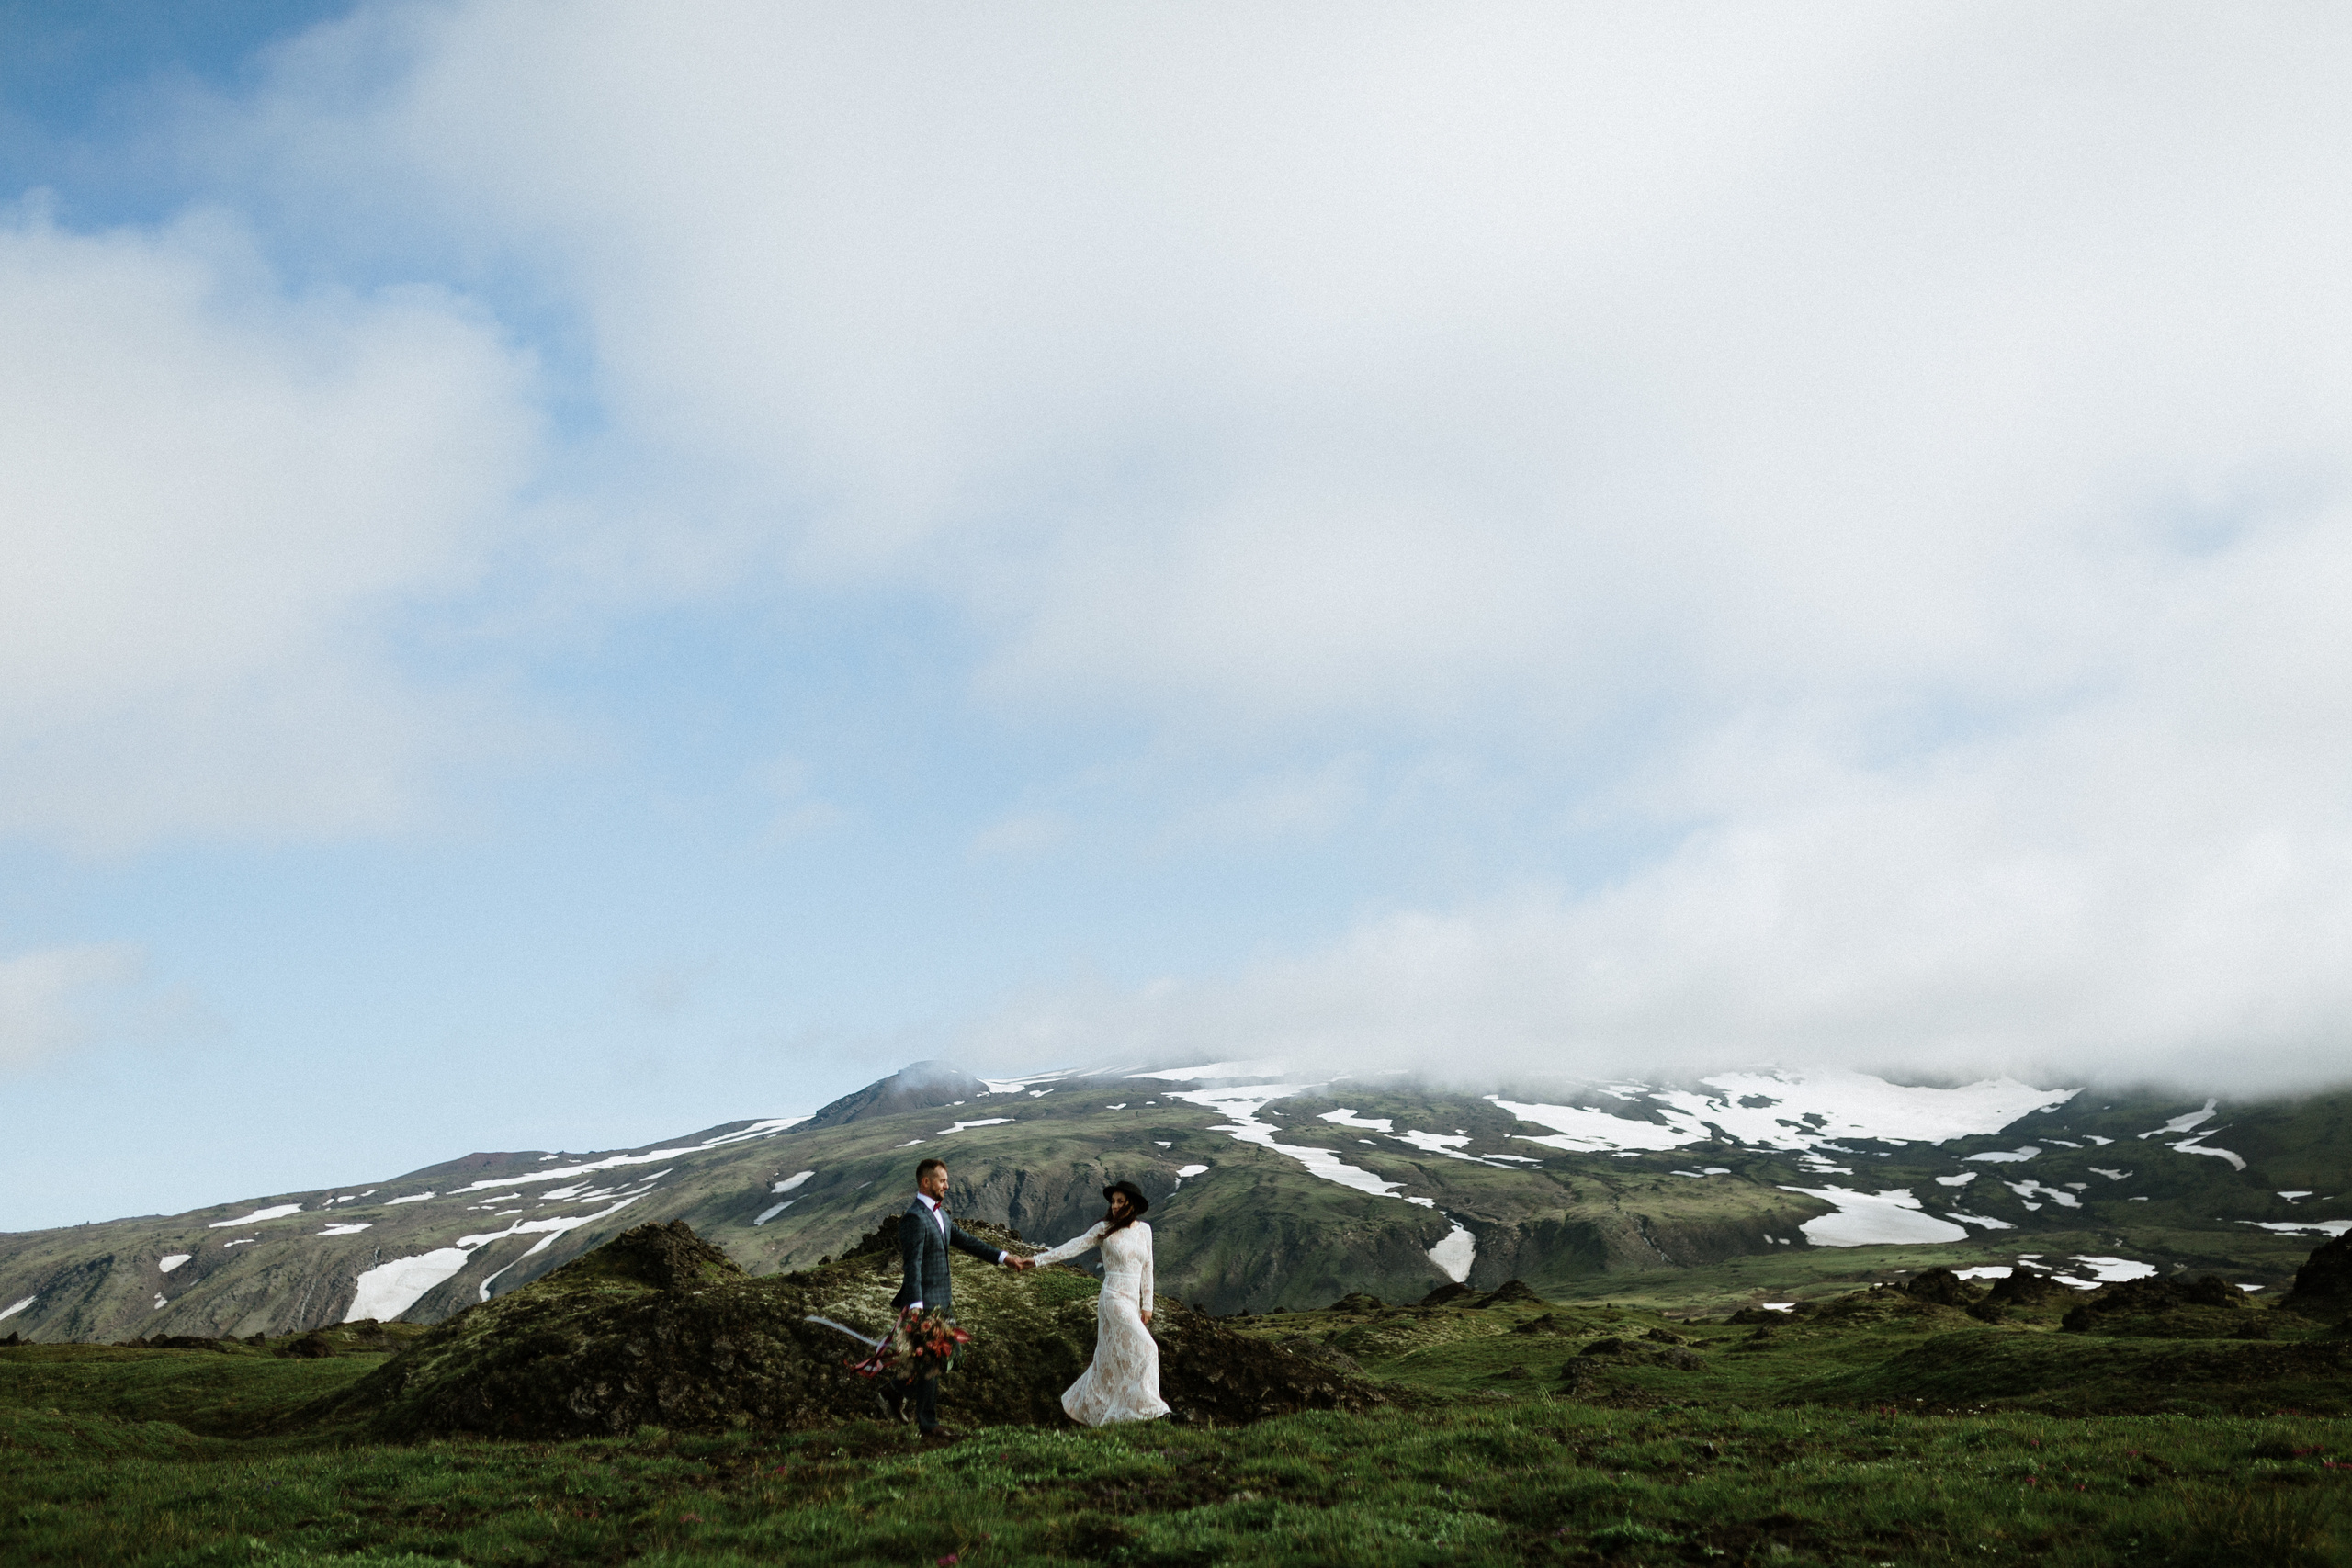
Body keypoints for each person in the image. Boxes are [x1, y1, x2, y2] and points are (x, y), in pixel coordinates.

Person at [888, 1157, 1029, 1438]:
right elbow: (912, 1264)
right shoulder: (914, 1218)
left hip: (944, 1301)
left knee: (945, 1358)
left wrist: (1004, 1258)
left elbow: (967, 1241)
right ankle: (928, 1423)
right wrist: (916, 1308)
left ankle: (893, 1392)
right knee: (934, 1361)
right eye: (942, 1181)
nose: (947, 1186)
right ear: (926, 1182)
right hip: (926, 1304)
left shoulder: (942, 1215)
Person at [1024, 1179, 1170, 1425]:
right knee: (1148, 1349)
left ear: (1131, 1205)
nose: (1114, 1206)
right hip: (1113, 1296)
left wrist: (1148, 1305)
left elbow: (1148, 1267)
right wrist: (1036, 1260)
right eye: (1112, 1201)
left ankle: (1104, 1413)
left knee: (1114, 1359)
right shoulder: (1105, 1228)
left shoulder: (1145, 1230)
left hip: (1133, 1301)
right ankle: (1152, 1412)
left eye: (1119, 1201)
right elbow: (1073, 1246)